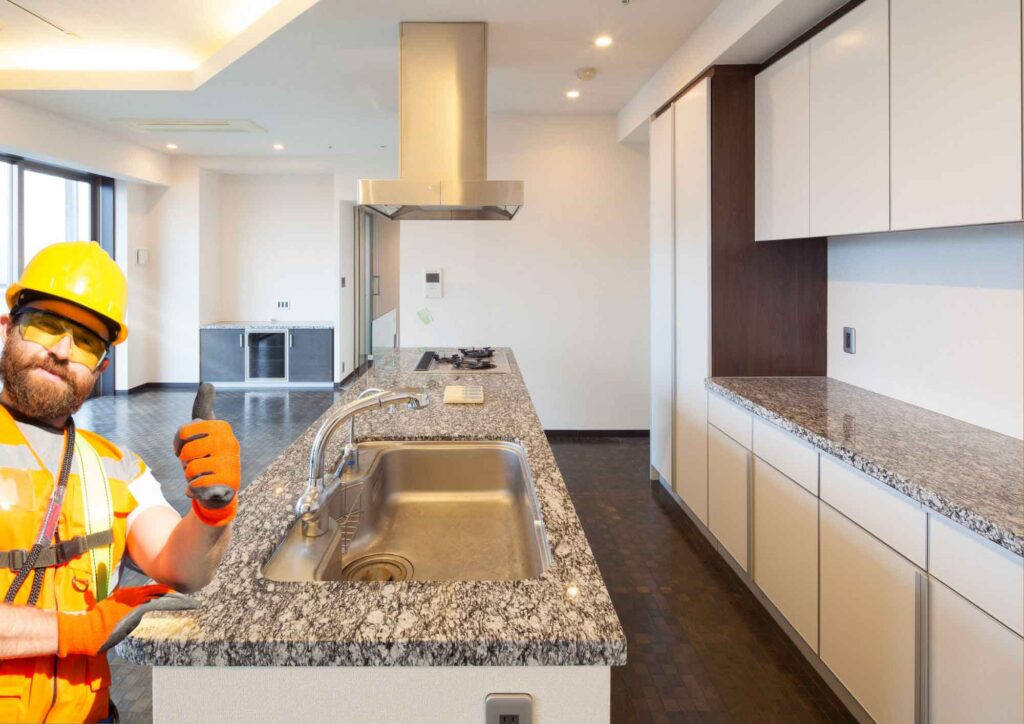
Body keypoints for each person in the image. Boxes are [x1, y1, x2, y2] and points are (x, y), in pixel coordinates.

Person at [0, 241, 240, 722]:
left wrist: (213, 511)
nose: (61, 351)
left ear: (101, 367)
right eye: (46, 324)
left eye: (86, 341)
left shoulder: (115, 466)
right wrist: (81, 631)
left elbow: (184, 568)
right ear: (8, 327)